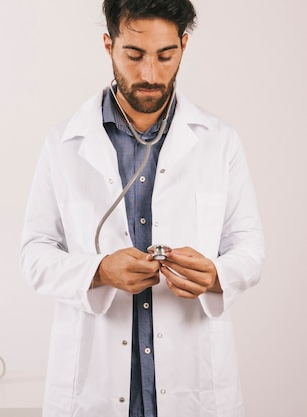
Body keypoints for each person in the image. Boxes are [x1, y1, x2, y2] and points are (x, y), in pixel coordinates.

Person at [20, 1, 264, 416]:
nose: (150, 74)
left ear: (184, 47)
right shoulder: (64, 143)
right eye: (134, 55)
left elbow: (250, 249)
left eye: (165, 56)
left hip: (194, 384)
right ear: (108, 45)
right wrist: (99, 271)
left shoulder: (218, 141)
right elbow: (34, 255)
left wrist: (218, 275)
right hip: (95, 384)